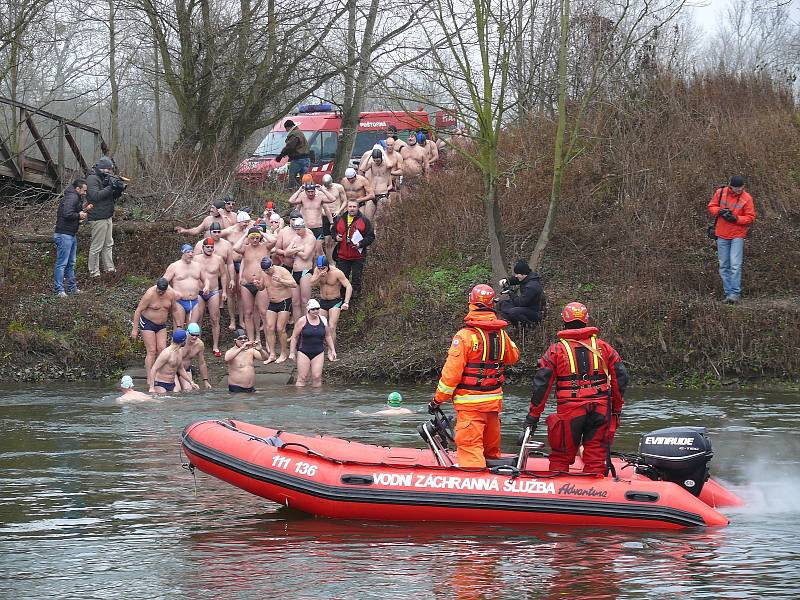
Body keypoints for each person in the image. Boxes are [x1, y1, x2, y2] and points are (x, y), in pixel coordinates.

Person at [525, 302, 629, 475]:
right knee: (596, 453)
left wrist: (533, 417)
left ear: (564, 321)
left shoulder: (556, 351)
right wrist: (616, 411)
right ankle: (596, 489)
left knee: (561, 454)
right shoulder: (604, 348)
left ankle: (558, 491)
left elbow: (541, 386)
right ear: (586, 321)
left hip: (570, 410)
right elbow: (621, 380)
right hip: (600, 409)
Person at [428, 284, 520, 468]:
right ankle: (498, 491)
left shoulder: (464, 337)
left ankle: (477, 490)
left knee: (471, 453)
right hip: (493, 405)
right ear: (492, 304)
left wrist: (437, 400)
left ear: (471, 303)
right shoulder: (501, 334)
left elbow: (450, 376)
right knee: (491, 455)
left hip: (470, 407)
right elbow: (513, 357)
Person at [707, 175, 756, 304]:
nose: (739, 190)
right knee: (724, 265)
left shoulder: (747, 198)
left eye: (741, 187)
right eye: (737, 188)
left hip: (737, 235)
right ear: (731, 186)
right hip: (722, 233)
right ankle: (728, 294)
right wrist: (720, 211)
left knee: (735, 264)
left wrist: (736, 219)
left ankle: (735, 293)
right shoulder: (720, 192)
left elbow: (750, 217)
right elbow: (711, 206)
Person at [232, 226, 273, 342]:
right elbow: (235, 247)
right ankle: (251, 341)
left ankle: (268, 343)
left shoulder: (265, 247)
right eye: (252, 238)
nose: (255, 240)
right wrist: (245, 234)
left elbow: (274, 240)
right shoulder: (245, 248)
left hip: (262, 283)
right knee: (248, 313)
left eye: (256, 238)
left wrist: (261, 232)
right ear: (249, 239)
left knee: (263, 313)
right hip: (247, 283)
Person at [86, 156, 125, 277]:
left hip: (107, 216)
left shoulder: (106, 178)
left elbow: (111, 197)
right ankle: (94, 273)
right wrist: (110, 187)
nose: (109, 171)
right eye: (107, 169)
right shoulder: (92, 178)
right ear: (101, 168)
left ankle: (109, 269)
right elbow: (95, 196)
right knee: (97, 246)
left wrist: (118, 189)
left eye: (110, 169)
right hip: (98, 217)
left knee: (108, 244)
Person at [131, 277, 177, 378]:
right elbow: (138, 310)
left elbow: (174, 310)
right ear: (156, 287)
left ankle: (159, 374)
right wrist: (135, 329)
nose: (160, 293)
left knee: (162, 349)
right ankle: (149, 376)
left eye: (162, 292)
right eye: (159, 291)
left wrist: (178, 326)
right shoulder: (150, 294)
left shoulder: (171, 294)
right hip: (147, 322)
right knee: (151, 351)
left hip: (161, 325)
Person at [257, 256, 297, 364]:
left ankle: (284, 353)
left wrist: (281, 280)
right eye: (264, 270)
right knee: (269, 327)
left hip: (284, 301)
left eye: (268, 269)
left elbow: (294, 284)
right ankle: (272, 354)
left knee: (280, 328)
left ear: (272, 266)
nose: (267, 272)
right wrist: (258, 285)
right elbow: (262, 287)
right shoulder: (264, 274)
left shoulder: (282, 271)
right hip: (272, 302)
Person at [333, 200, 375, 301]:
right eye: (350, 206)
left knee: (356, 279)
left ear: (358, 208)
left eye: (354, 207)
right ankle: (343, 300)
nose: (352, 209)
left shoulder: (364, 220)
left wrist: (361, 243)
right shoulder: (339, 219)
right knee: (343, 279)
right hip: (342, 255)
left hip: (358, 256)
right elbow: (333, 231)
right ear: (347, 208)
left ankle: (355, 301)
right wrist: (335, 237)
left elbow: (370, 236)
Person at [193, 236, 229, 356]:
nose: (209, 249)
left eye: (211, 247)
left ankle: (215, 346)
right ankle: (197, 345)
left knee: (215, 319)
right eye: (207, 247)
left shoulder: (218, 259)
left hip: (213, 291)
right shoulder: (196, 259)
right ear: (202, 248)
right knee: (198, 319)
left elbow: (223, 275)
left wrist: (224, 291)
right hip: (199, 292)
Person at [289, 298, 337, 387]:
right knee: (302, 377)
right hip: (303, 351)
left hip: (318, 352)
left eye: (317, 309)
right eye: (313, 309)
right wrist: (292, 352)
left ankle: (316, 399)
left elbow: (328, 336)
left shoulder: (323, 320)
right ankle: (300, 398)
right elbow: (294, 337)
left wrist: (333, 350)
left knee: (317, 377)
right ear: (308, 310)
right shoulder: (302, 320)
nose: (316, 311)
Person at [53, 178, 88, 297]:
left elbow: (70, 214)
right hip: (64, 235)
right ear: (77, 189)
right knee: (62, 263)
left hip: (71, 234)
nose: (85, 193)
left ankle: (72, 288)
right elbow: (67, 213)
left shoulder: (76, 197)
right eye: (84, 190)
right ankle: (59, 290)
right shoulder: (71, 197)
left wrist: (79, 217)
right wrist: (79, 215)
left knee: (71, 263)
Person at [162, 244, 209, 327]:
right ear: (182, 253)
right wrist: (173, 292)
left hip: (194, 301)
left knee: (192, 330)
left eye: (192, 252)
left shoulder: (198, 266)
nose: (190, 254)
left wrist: (207, 286)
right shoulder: (174, 266)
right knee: (179, 329)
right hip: (180, 302)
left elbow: (206, 280)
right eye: (188, 252)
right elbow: (163, 282)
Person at [309, 255, 351, 345]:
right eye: (319, 268)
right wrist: (319, 276)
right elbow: (311, 283)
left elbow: (348, 286)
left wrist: (346, 302)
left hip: (335, 301)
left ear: (327, 266)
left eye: (323, 268)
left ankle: (332, 351)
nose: (321, 270)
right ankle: (320, 347)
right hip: (323, 301)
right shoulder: (318, 270)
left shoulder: (337, 272)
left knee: (332, 326)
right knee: (320, 326)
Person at [288, 181, 336, 256]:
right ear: (305, 191)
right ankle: (311, 266)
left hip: (318, 228)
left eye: (312, 191)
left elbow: (332, 199)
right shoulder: (302, 198)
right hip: (306, 228)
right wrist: (299, 190)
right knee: (308, 250)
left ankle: (323, 265)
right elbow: (291, 201)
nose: (310, 194)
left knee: (318, 250)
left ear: (315, 191)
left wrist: (322, 190)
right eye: (308, 192)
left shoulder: (319, 197)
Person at [497, 260, 544, 325]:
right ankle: (518, 325)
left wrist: (510, 293)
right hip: (526, 307)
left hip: (534, 311)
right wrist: (506, 280)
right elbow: (516, 280)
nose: (516, 276)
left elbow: (520, 303)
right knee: (503, 304)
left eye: (517, 274)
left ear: (523, 274)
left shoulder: (532, 286)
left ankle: (529, 327)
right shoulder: (527, 278)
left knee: (513, 312)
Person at [149, 328, 195, 393]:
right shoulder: (166, 353)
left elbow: (181, 369)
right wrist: (151, 387)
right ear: (183, 341)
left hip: (172, 384)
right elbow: (154, 369)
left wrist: (191, 382)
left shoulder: (179, 352)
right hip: (160, 384)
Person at [225, 328, 268, 393]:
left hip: (251, 388)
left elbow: (265, 358)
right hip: (236, 388)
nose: (243, 340)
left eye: (245, 338)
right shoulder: (231, 351)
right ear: (235, 340)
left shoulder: (251, 350)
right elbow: (227, 358)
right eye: (240, 339)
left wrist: (260, 350)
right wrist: (241, 348)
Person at [276, 119, 310, 187]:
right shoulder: (299, 132)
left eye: (286, 128)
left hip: (298, 159)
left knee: (292, 177)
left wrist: (281, 155)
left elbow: (290, 146)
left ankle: (295, 191)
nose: (286, 130)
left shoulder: (294, 134)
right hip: (306, 159)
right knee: (305, 179)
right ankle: (307, 191)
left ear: (288, 127)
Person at [179, 322, 212, 390]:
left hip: (185, 370)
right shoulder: (180, 340)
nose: (194, 337)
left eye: (197, 335)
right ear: (187, 332)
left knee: (188, 390)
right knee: (175, 391)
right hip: (174, 369)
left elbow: (202, 363)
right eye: (192, 334)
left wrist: (205, 381)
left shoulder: (199, 344)